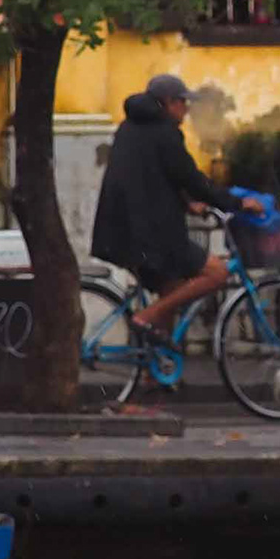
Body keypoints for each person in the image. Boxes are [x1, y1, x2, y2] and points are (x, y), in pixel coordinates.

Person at [89, 72, 229, 359]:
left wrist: (185, 202)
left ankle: (157, 372)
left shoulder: (129, 127)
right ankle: (145, 316)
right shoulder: (165, 132)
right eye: (182, 102)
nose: (186, 109)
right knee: (217, 273)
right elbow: (190, 177)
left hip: (121, 231)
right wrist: (235, 203)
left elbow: (151, 174)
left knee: (172, 289)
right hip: (150, 235)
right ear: (167, 102)